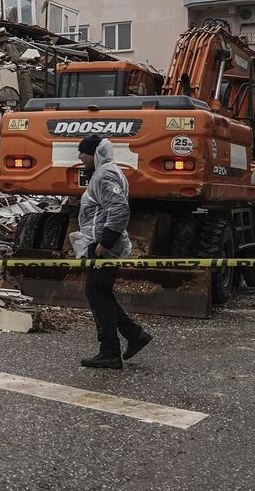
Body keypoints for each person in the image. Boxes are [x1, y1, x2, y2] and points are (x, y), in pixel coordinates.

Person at [70, 134, 152, 370]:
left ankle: (110, 352)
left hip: (103, 246)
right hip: (100, 243)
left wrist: (105, 242)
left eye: (82, 152)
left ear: (94, 153)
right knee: (99, 292)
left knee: (97, 293)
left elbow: (118, 209)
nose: (79, 156)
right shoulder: (106, 172)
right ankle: (134, 335)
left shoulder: (105, 174)